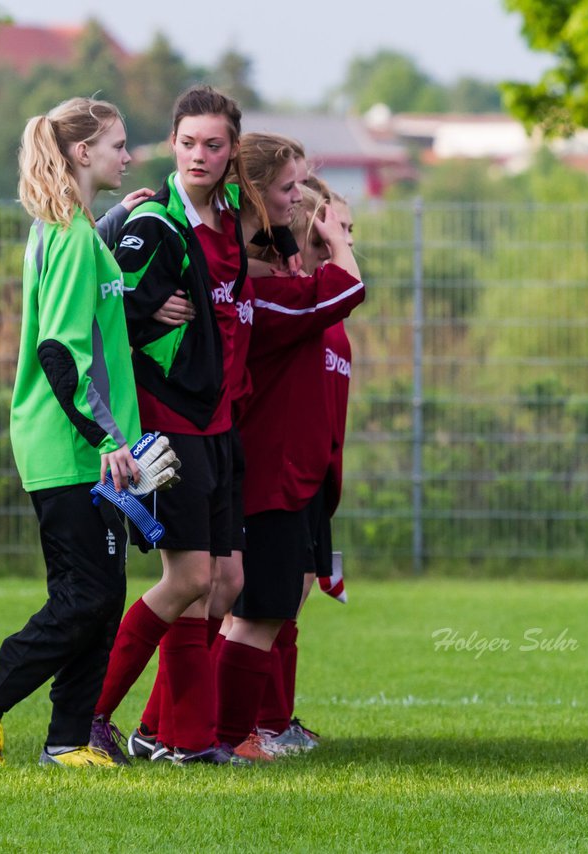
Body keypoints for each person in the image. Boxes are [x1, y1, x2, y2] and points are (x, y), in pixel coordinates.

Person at [0, 96, 170, 768]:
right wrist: (108, 441)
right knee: (86, 596)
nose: (128, 155)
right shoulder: (69, 236)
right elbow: (59, 352)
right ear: (81, 152)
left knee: (104, 598)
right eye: (118, 144)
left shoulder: (73, 228)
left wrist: (119, 217)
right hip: (70, 447)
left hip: (84, 446)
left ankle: (68, 741)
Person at [90, 85, 257, 765]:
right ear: (173, 145)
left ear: (230, 152)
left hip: (219, 426)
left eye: (213, 144)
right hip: (170, 424)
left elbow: (270, 194)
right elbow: (104, 306)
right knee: (188, 578)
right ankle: (90, 712)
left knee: (222, 582)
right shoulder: (152, 221)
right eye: (187, 142)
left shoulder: (230, 217)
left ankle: (173, 735)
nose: (199, 155)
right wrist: (144, 309)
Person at [216, 154, 364, 761]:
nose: (339, 244)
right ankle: (226, 734)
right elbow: (348, 286)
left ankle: (248, 727)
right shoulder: (278, 300)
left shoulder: (305, 311)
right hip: (270, 478)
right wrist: (339, 246)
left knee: (269, 607)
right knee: (244, 611)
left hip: (303, 479)